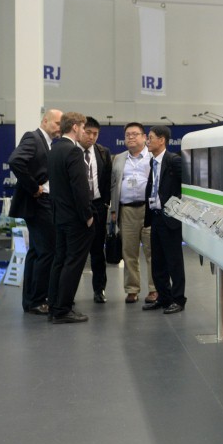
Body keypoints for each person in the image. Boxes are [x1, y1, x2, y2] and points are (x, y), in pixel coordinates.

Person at [8, 108, 62, 315]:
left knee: (38, 252)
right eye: (57, 123)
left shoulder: (47, 142)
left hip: (43, 203)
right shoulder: (33, 138)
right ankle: (37, 300)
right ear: (45, 121)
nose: (60, 127)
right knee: (46, 252)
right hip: (38, 203)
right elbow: (15, 161)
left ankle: (33, 299)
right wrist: (33, 187)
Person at [47, 112, 95, 324]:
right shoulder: (74, 151)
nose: (84, 132)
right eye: (83, 128)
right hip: (75, 218)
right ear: (75, 127)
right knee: (73, 263)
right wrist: (88, 216)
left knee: (60, 260)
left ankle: (54, 306)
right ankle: (63, 309)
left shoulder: (54, 149)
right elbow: (80, 188)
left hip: (59, 216)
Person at [108, 122, 157, 304]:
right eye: (128, 134)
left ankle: (154, 289)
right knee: (129, 252)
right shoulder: (119, 159)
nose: (130, 137)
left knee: (152, 252)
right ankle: (132, 289)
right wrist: (113, 210)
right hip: (126, 210)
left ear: (144, 137)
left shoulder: (153, 157)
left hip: (149, 210)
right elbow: (113, 185)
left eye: (135, 134)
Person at [142, 125, 187, 314]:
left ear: (162, 140)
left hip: (170, 218)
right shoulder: (153, 162)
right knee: (157, 261)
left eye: (150, 138)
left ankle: (178, 299)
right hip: (156, 217)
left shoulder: (174, 161)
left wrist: (177, 207)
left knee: (174, 261)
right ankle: (163, 297)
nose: (147, 141)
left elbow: (186, 186)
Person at [78, 116, 112, 304]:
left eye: (95, 134)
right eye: (88, 132)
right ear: (80, 131)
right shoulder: (71, 151)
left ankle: (99, 289)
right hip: (76, 208)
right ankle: (68, 293)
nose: (91, 137)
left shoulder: (103, 152)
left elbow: (107, 179)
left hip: (98, 206)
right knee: (75, 253)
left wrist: (106, 203)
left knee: (98, 251)